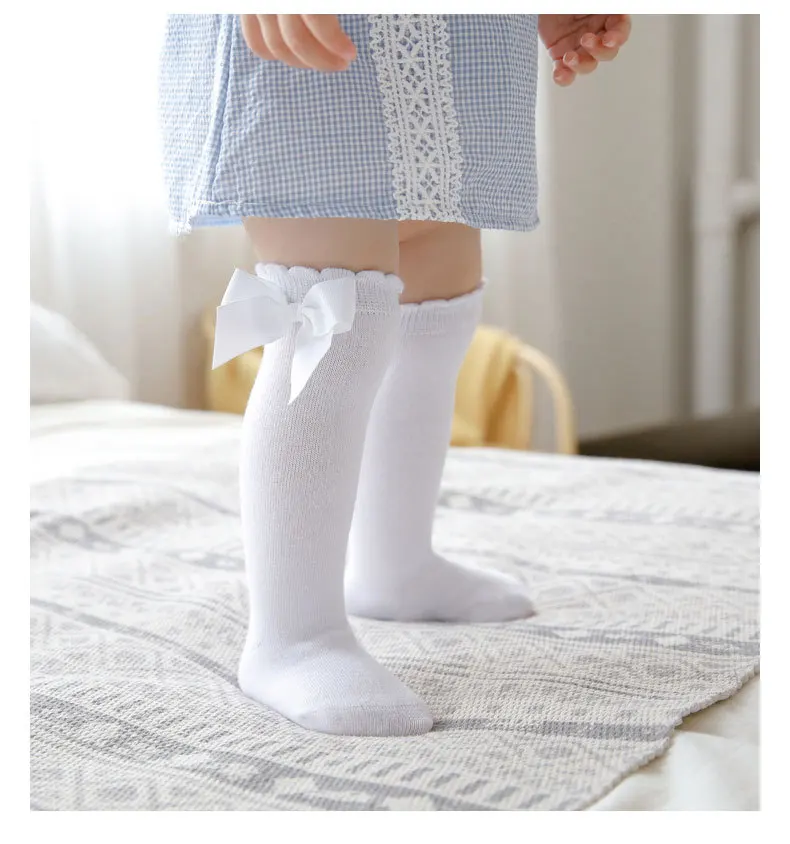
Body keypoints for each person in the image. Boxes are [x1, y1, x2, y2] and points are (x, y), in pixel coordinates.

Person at [159, 13, 631, 737]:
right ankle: (294, 634)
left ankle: (394, 564)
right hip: (314, 41)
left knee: (435, 296)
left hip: (458, 36)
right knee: (331, 317)